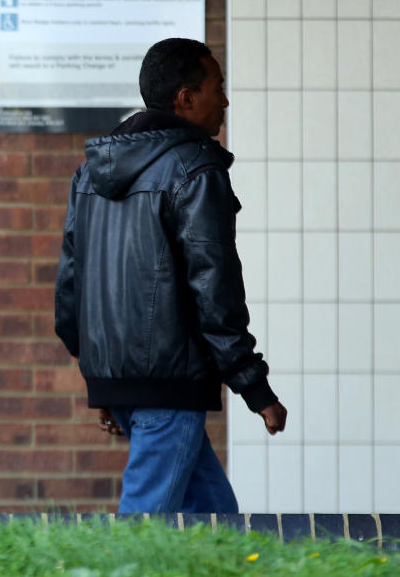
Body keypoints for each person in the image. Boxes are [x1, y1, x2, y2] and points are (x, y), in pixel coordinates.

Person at [54, 37, 287, 513]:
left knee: (214, 520)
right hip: (170, 380)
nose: (224, 100)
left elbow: (70, 288)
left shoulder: (89, 174)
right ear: (185, 98)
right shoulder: (196, 170)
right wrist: (254, 386)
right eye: (216, 88)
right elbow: (215, 288)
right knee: (144, 528)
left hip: (123, 377)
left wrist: (105, 378)